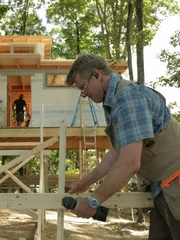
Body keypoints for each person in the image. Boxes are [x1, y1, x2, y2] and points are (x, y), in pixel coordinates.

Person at [65, 53, 180, 240]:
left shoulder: (127, 98)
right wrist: (86, 182)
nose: (84, 94)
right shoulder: (114, 102)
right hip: (164, 189)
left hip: (175, 184)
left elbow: (129, 162)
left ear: (96, 75)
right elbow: (117, 153)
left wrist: (94, 202)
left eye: (83, 87)